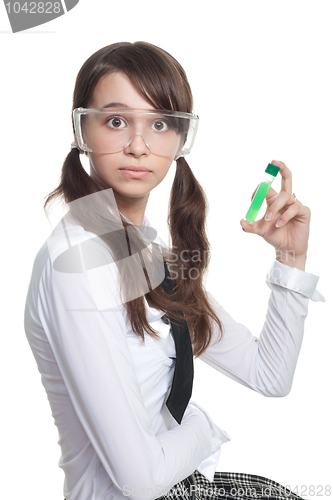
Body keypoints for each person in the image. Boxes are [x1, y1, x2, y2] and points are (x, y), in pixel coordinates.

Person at [24, 41, 324, 500]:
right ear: (83, 129)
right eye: (116, 121)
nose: (138, 145)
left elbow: (269, 375)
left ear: (181, 138)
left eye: (160, 123)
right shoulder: (79, 263)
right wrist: (201, 426)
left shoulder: (150, 255)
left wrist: (290, 260)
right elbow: (140, 481)